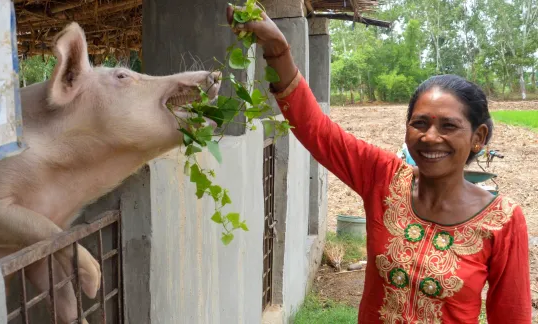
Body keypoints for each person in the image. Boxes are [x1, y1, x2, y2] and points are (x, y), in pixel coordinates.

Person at [226, 6, 532, 323]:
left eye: (448, 126)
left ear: (478, 137)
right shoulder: (384, 178)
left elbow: (512, 315)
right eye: (420, 123)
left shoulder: (503, 221)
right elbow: (318, 132)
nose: (430, 137)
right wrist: (279, 49)